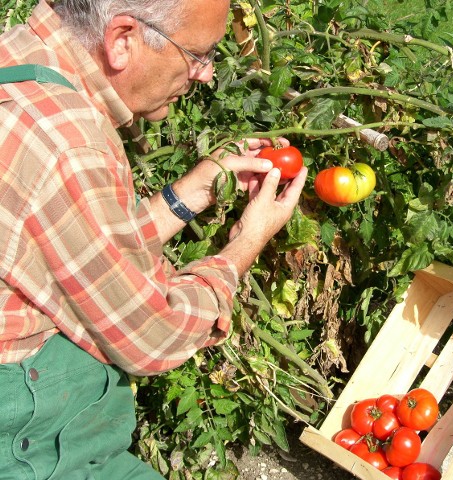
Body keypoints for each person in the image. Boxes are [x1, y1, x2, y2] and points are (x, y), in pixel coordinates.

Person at [0, 0, 308, 478]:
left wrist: (193, 190)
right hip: (26, 439)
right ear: (123, 39)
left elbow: (80, 248)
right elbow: (151, 336)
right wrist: (246, 243)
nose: (205, 75)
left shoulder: (20, 60)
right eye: (198, 55)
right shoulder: (67, 143)